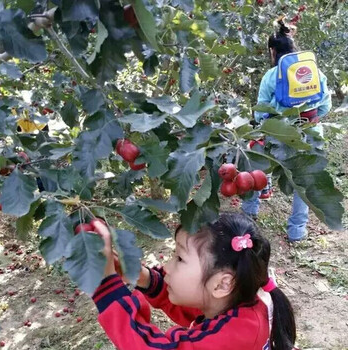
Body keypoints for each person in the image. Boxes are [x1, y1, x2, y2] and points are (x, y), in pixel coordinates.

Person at [91, 213, 296, 350]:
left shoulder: (237, 332)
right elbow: (197, 308)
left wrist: (107, 288)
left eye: (180, 259)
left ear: (223, 284)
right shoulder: (239, 299)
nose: (167, 267)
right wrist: (143, 278)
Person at [242, 18, 332, 242]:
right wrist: (310, 119)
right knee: (303, 180)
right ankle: (297, 231)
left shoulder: (271, 76)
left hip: (279, 134)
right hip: (310, 132)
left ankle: (250, 210)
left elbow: (260, 113)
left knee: (257, 165)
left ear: (273, 51)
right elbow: (326, 105)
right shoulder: (314, 73)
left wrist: (269, 124)